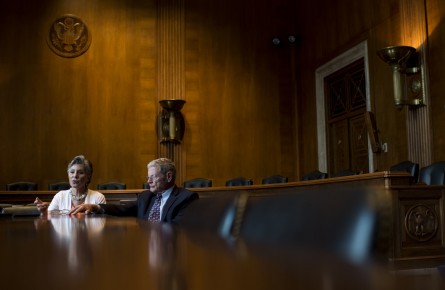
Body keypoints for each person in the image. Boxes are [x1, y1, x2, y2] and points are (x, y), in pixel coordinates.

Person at [69, 158, 199, 224]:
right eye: (148, 177)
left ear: (169, 177)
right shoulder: (146, 196)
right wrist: (95, 207)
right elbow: (123, 209)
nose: (149, 181)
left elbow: (178, 228)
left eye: (153, 177)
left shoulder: (187, 198)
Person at [35, 155, 106, 214]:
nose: (75, 175)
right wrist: (44, 212)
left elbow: (103, 221)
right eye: (72, 172)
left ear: (88, 177)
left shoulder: (98, 197)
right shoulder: (60, 196)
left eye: (80, 172)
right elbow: (51, 220)